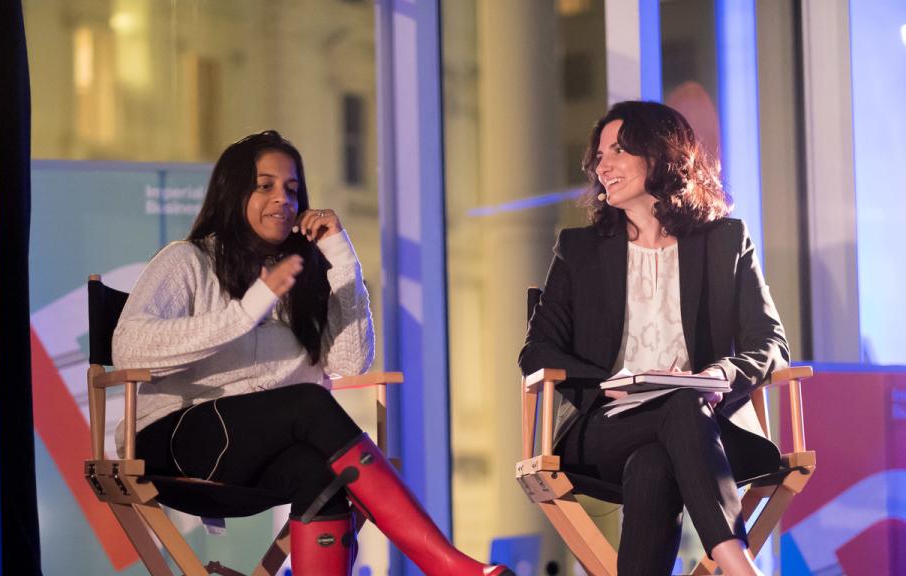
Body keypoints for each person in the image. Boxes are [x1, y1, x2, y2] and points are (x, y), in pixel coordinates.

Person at [113, 131, 513, 576]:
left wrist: (342, 258)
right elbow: (127, 347)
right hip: (173, 442)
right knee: (308, 403)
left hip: (254, 455)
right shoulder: (187, 260)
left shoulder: (298, 276)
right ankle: (444, 564)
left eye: (292, 188)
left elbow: (348, 362)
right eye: (265, 185)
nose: (282, 199)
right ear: (233, 191)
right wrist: (244, 313)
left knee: (322, 476)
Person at [519, 101, 788, 576]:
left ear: (662, 156)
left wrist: (718, 374)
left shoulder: (725, 241)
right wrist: (609, 382)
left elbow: (769, 342)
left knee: (655, 462)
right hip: (606, 425)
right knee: (680, 408)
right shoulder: (579, 250)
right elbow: (537, 351)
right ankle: (741, 567)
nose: (603, 165)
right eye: (599, 155)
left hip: (708, 430)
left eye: (619, 151)